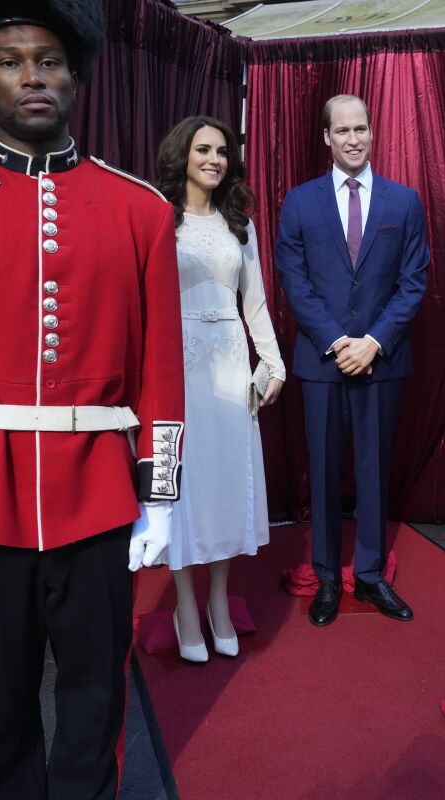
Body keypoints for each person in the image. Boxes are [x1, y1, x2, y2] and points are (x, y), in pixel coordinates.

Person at [0, 2, 184, 796]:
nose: (32, 77)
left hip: (99, 494)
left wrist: (162, 496)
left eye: (48, 60)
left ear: (76, 73)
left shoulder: (141, 211)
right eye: (11, 62)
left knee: (96, 698)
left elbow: (161, 369)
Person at [274, 94, 429, 627]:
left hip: (383, 362)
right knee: (323, 471)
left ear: (372, 132)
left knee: (374, 470)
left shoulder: (404, 201)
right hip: (323, 361)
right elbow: (294, 282)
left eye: (361, 128)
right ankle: (325, 579)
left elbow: (414, 283)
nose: (354, 138)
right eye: (343, 131)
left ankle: (368, 576)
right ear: (326, 137)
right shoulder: (298, 202)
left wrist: (373, 343)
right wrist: (339, 342)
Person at [155, 116, 285, 661]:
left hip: (232, 363)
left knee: (228, 481)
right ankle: (185, 603)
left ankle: (217, 599)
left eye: (223, 151)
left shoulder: (240, 224)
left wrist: (273, 363)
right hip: (179, 365)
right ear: (182, 153)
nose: (214, 159)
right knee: (186, 485)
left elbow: (253, 301)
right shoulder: (161, 219)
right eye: (204, 149)